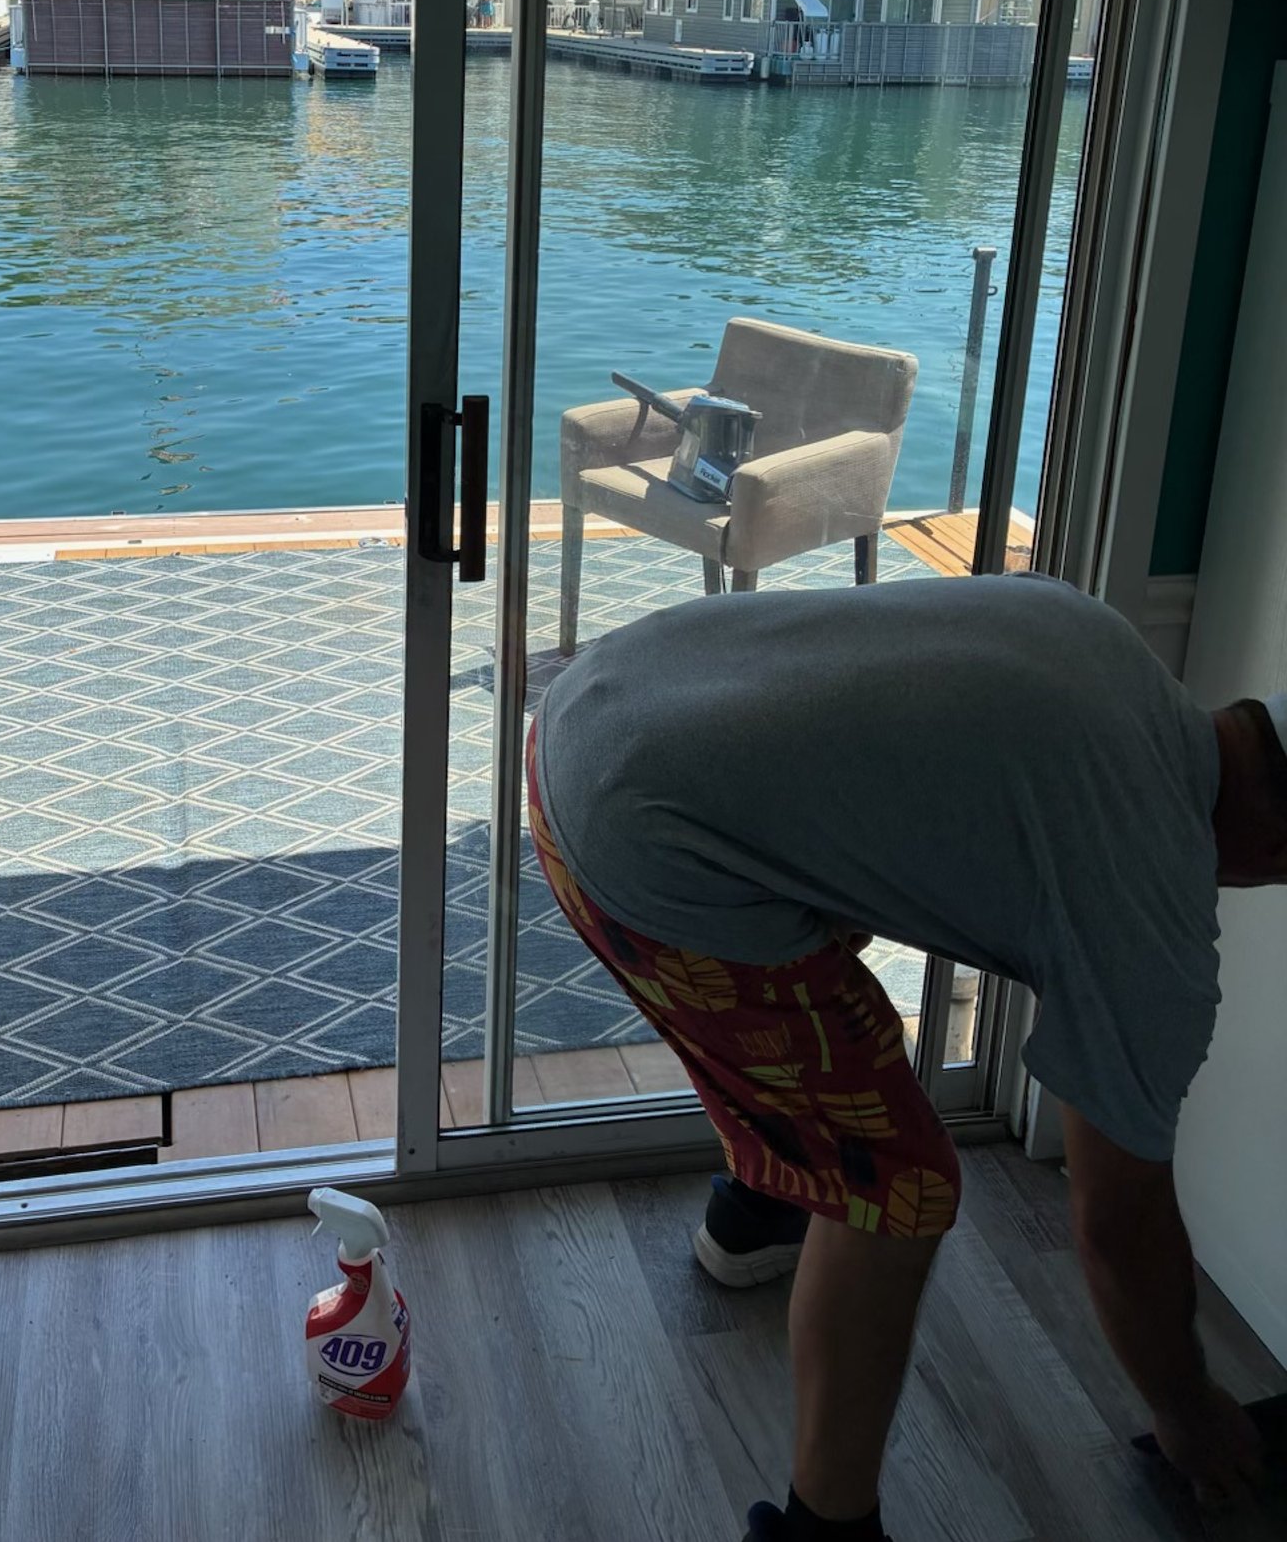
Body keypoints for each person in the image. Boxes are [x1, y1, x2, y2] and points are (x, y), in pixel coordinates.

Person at [528, 572, 1286, 1542]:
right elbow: (1118, 1220)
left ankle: (758, 1212)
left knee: (831, 912)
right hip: (640, 842)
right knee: (898, 1187)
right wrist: (1187, 1411)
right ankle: (823, 1528)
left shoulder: (1102, 642)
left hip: (588, 710)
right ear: (1273, 843)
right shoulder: (1152, 907)